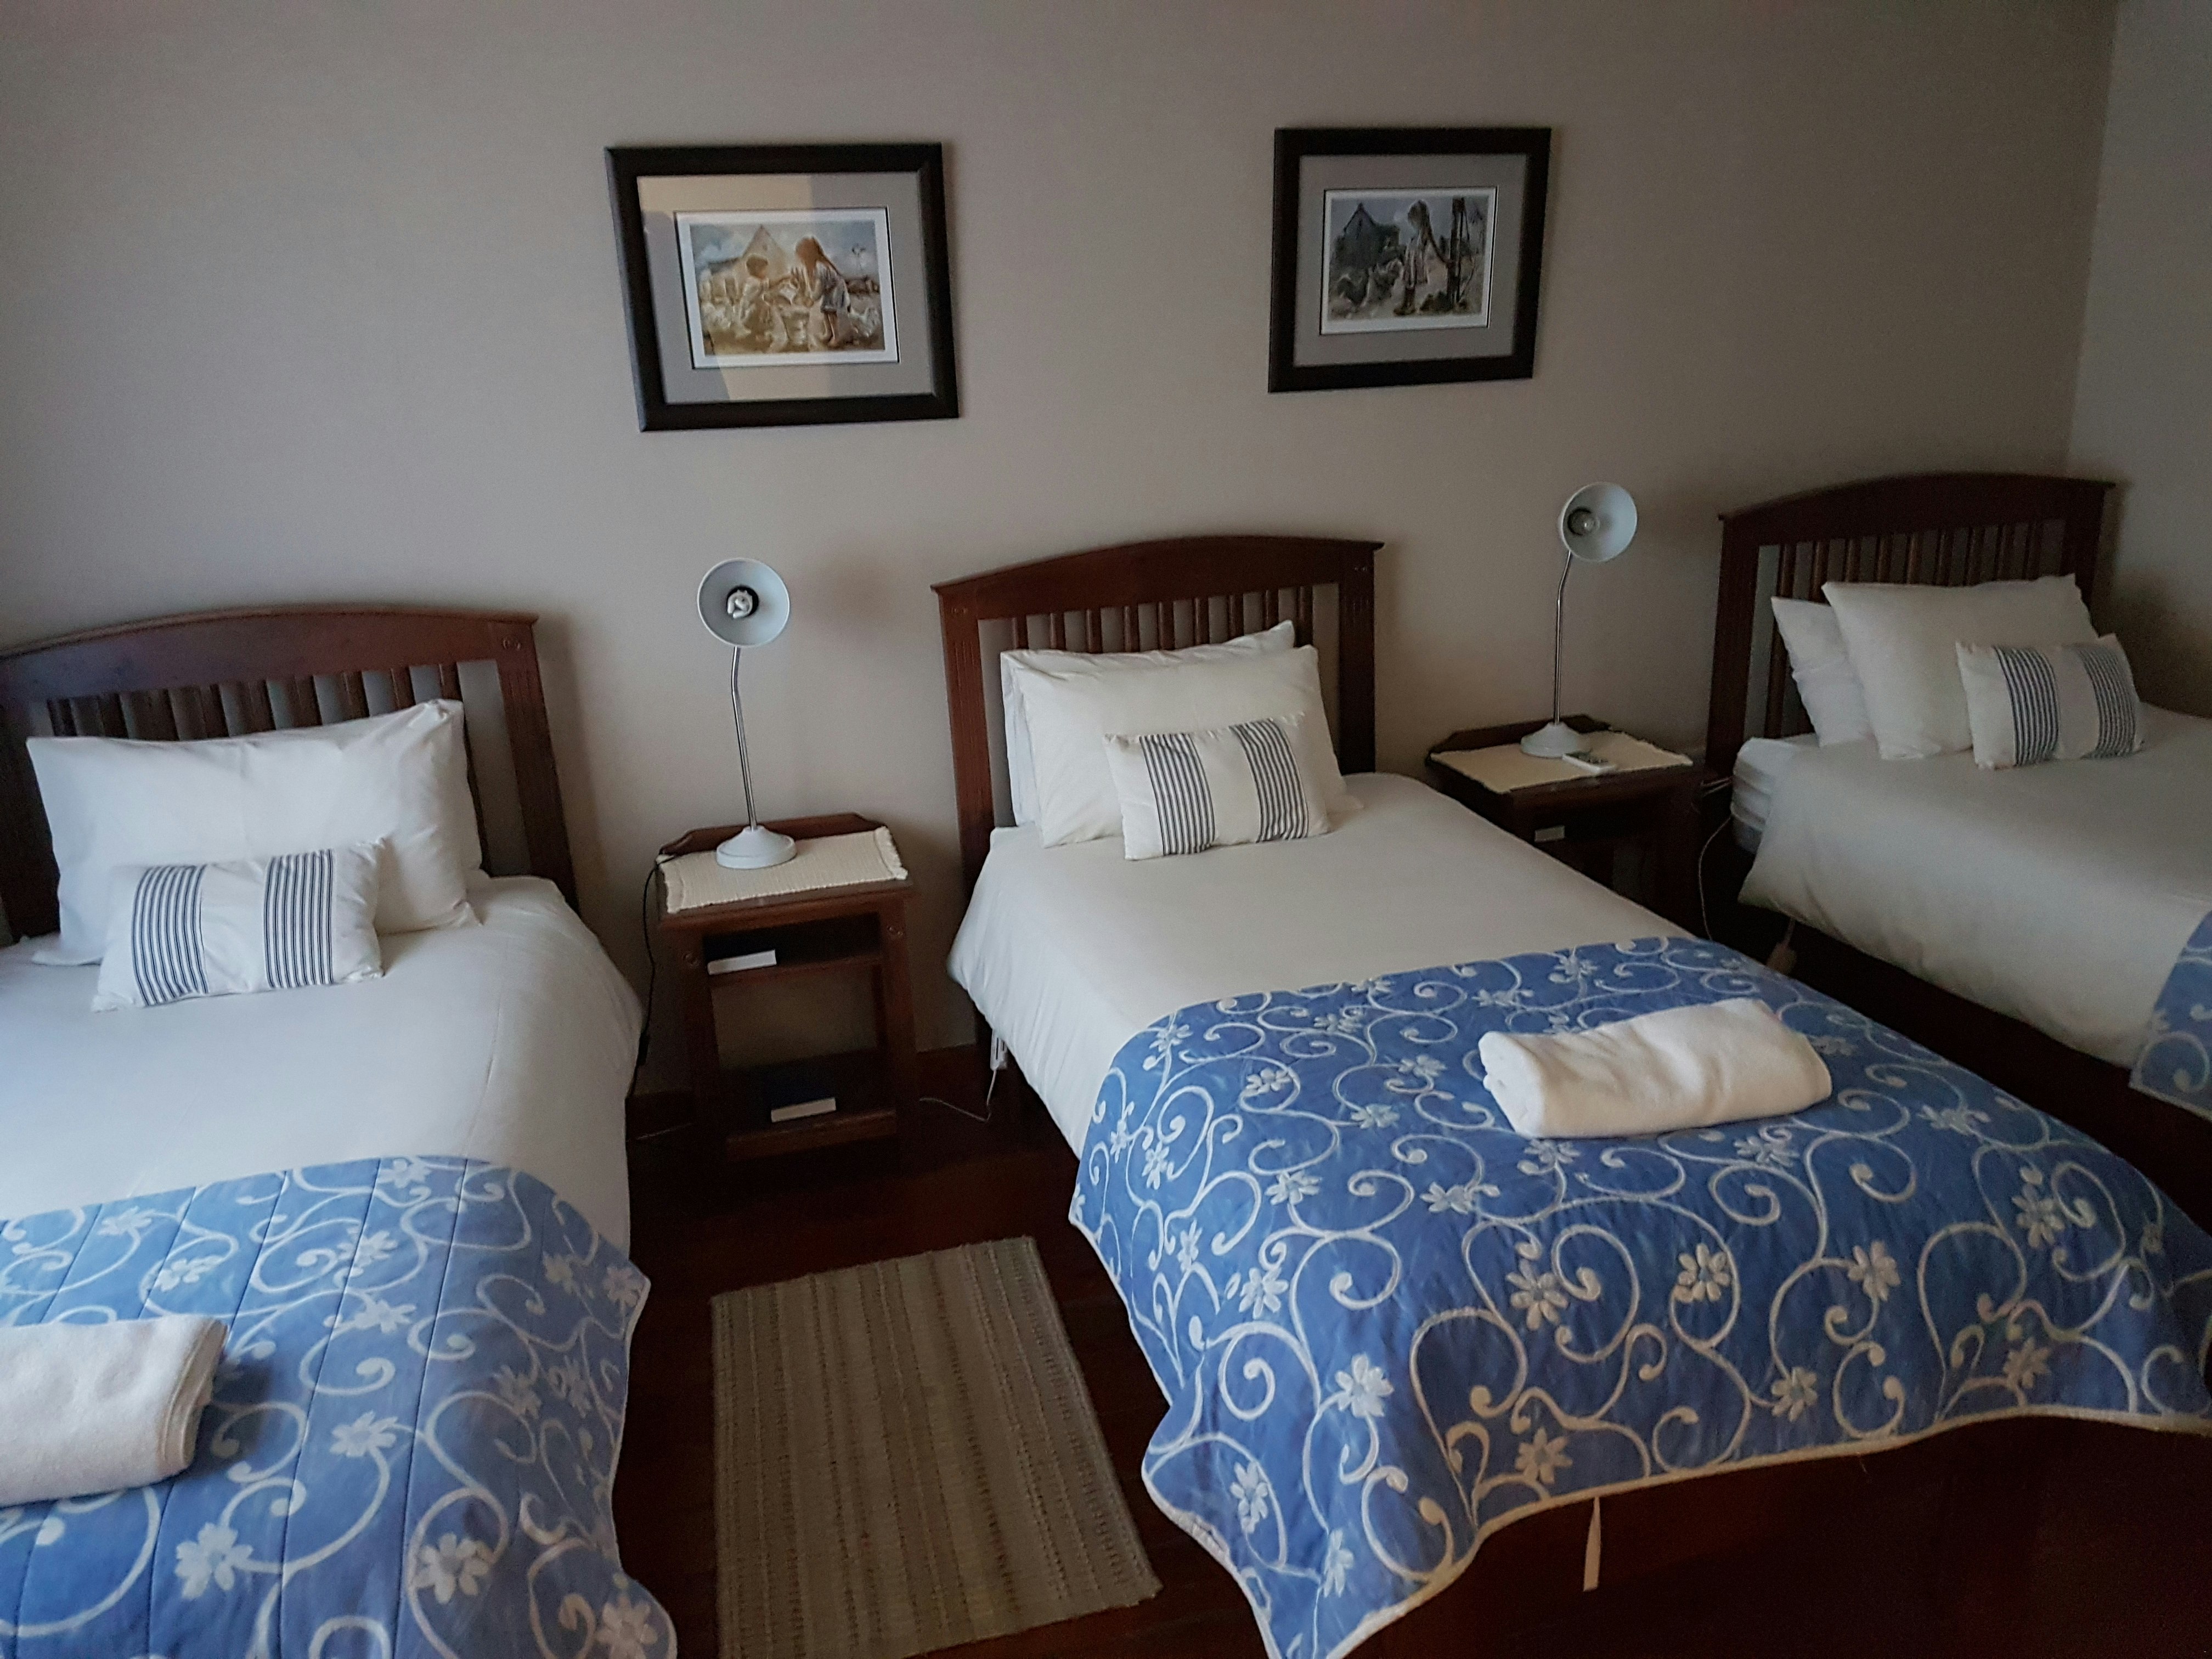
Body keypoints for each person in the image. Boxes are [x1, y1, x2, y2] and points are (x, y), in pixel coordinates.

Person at [793, 235, 853, 349]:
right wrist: (808, 295)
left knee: (831, 312)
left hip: (835, 289)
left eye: (803, 259)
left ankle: (836, 337)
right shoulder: (811, 268)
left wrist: (812, 299)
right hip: (828, 289)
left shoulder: (821, 267)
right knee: (825, 311)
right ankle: (828, 333)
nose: (802, 262)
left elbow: (819, 288)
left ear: (809, 256)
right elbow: (811, 285)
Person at [1397, 200, 1444, 317]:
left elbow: (1435, 247)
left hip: (1416, 259)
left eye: (1415, 218)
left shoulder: (1426, 231)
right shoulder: (1415, 232)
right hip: (1410, 258)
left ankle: (1411, 305)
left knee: (1412, 283)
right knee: (1408, 283)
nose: (1413, 221)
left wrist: (1444, 260)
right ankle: (1405, 303)